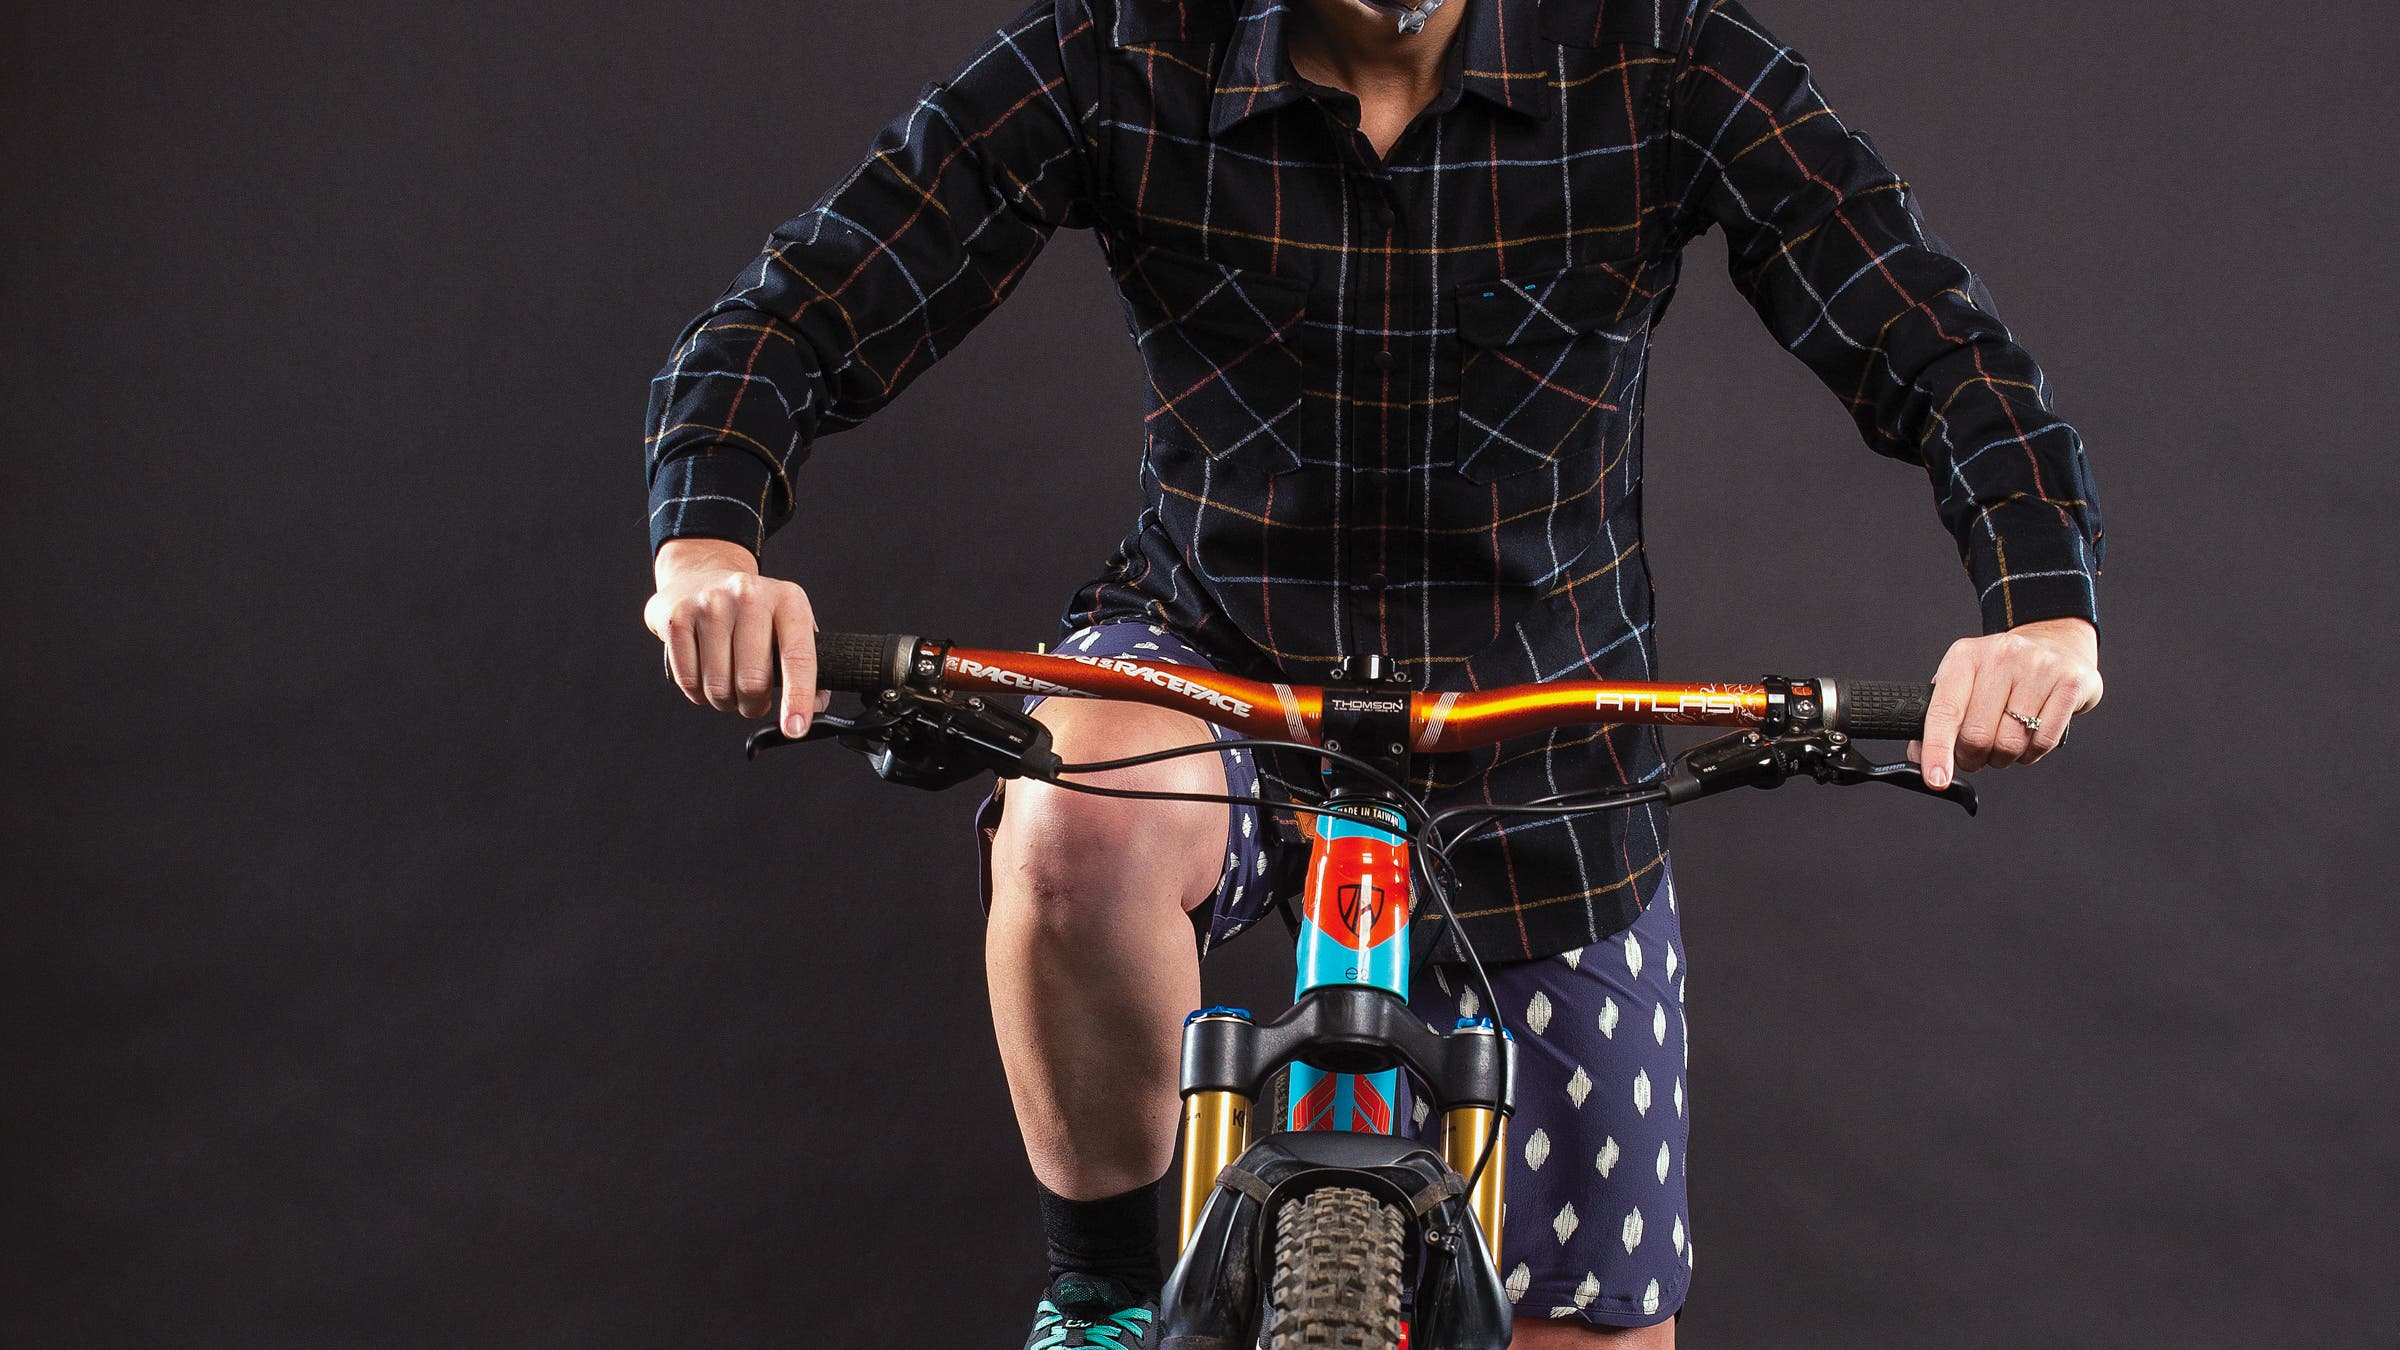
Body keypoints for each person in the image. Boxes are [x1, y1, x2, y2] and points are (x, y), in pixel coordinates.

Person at [640, 0, 2105, 1343]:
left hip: (1545, 756)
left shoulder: (1661, 55)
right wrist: (709, 547)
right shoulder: (1132, 47)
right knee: (1075, 795)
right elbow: (801, 306)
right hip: (1216, 685)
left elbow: (1936, 340)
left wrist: (2040, 613)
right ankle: (1100, 1294)